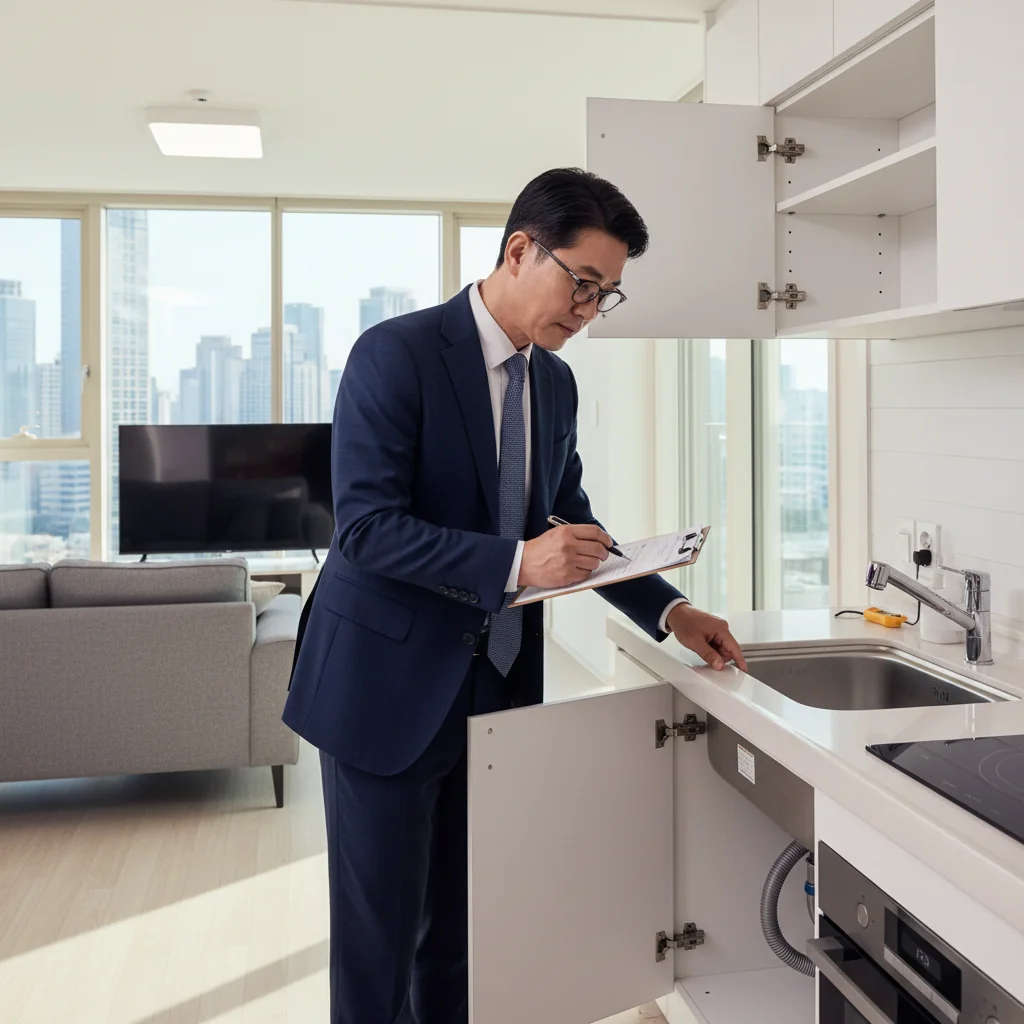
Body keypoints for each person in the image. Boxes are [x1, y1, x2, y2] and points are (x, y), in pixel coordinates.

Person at [282, 167, 748, 1024]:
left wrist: (670, 610)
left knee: (458, 931)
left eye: (606, 296)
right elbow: (365, 530)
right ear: (519, 250)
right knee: (376, 943)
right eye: (582, 283)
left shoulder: (555, 384)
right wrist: (515, 564)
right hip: (381, 690)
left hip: (492, 687)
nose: (587, 310)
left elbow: (572, 521)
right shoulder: (397, 354)